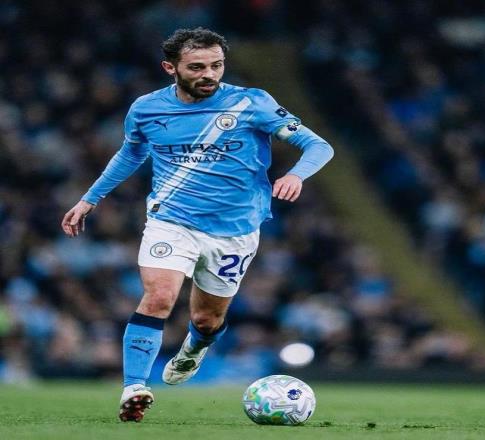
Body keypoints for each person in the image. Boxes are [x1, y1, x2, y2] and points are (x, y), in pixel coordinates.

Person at [61, 27, 334, 422]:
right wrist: (90, 198)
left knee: (208, 319)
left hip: (235, 230)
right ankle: (134, 387)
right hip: (172, 220)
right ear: (170, 68)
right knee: (158, 296)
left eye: (216, 65)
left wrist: (296, 175)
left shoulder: (252, 102)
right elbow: (131, 153)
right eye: (197, 67)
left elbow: (318, 145)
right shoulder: (146, 109)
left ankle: (195, 346)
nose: (209, 74)